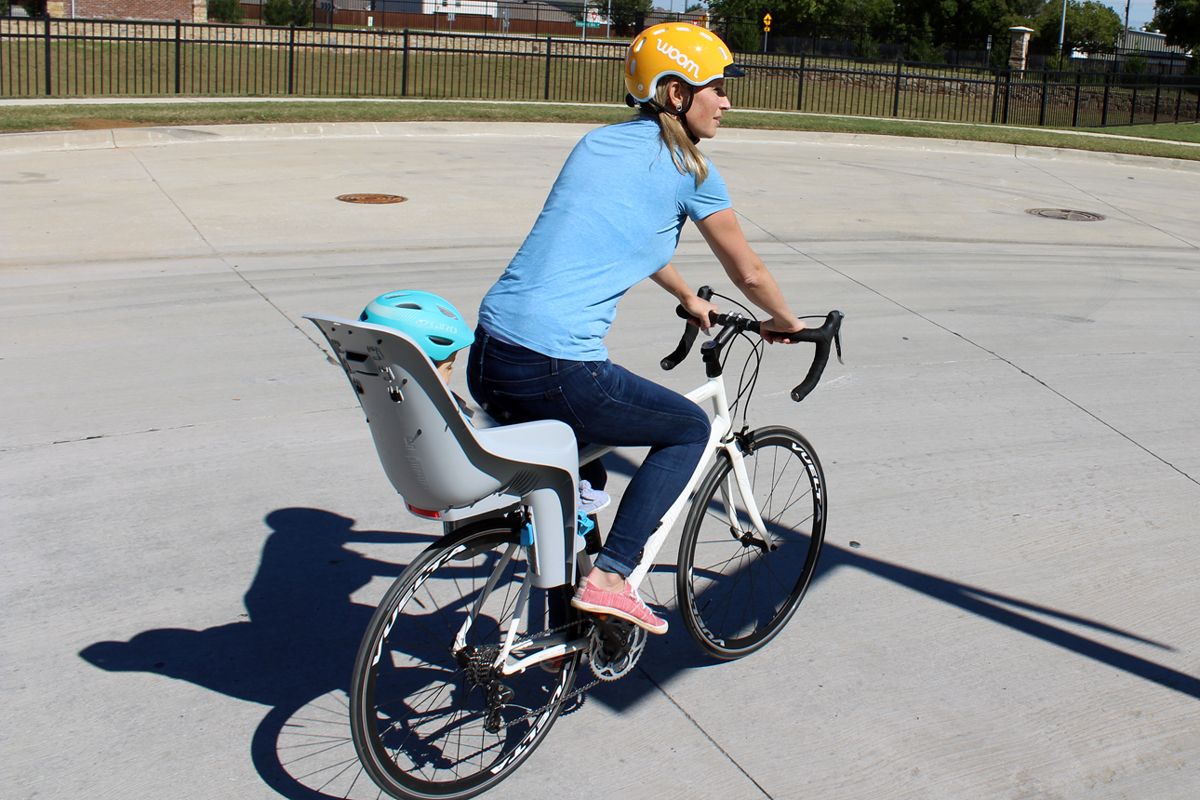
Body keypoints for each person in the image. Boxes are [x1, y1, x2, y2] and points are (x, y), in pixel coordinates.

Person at [467, 23, 804, 636]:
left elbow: (617, 233)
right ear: (677, 94)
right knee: (688, 429)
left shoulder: (597, 145)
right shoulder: (691, 170)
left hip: (491, 350)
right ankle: (614, 578)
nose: (726, 102)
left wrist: (684, 294)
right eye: (716, 89)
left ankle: (563, 620)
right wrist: (786, 322)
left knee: (583, 470)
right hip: (555, 367)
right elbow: (748, 272)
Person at [360, 290, 612, 511]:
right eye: (449, 365)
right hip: (469, 476)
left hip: (417, 479)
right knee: (575, 442)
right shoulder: (432, 412)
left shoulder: (389, 398)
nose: (449, 372)